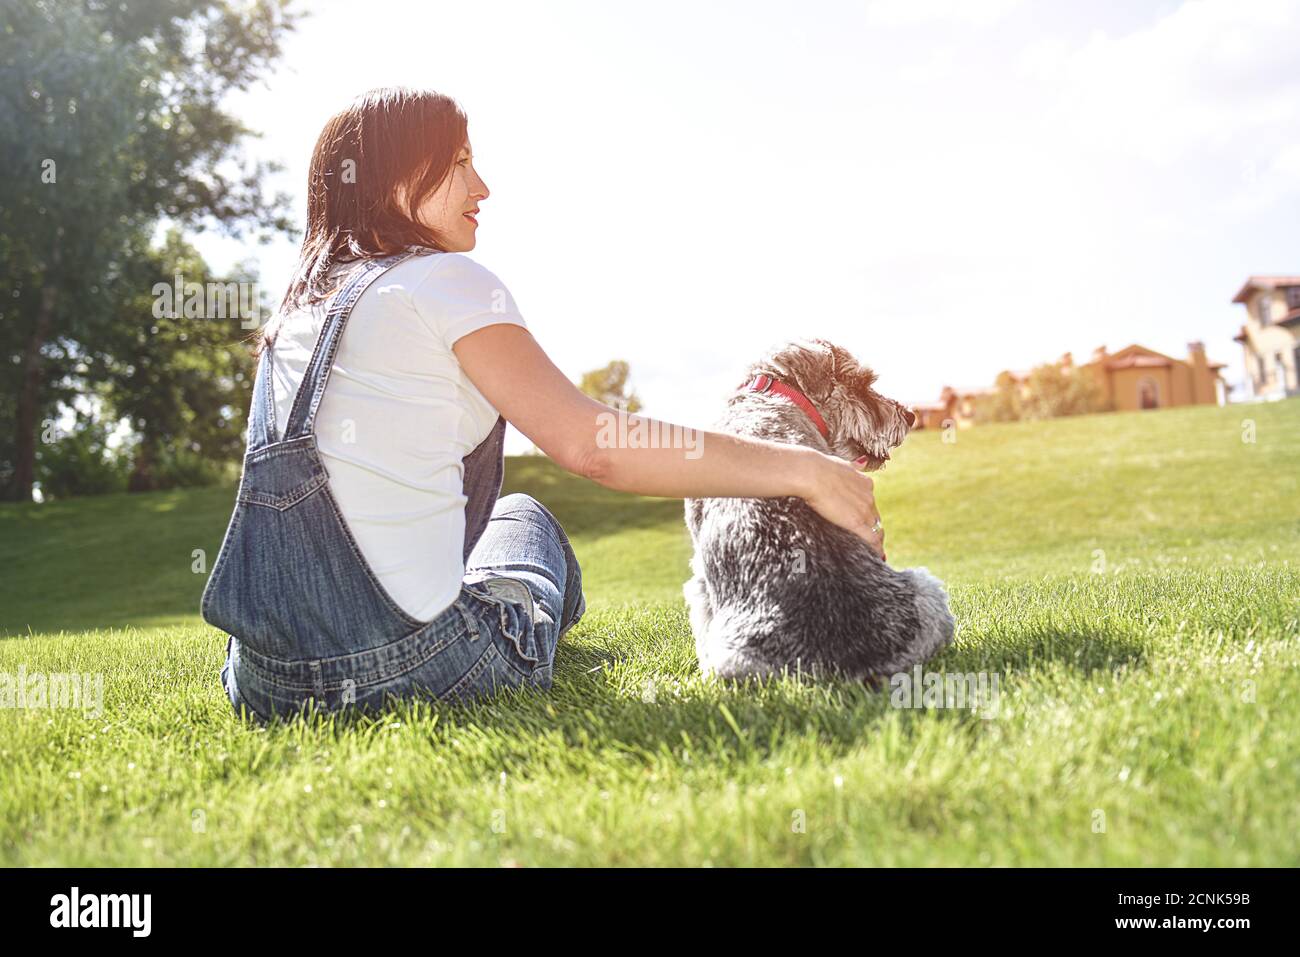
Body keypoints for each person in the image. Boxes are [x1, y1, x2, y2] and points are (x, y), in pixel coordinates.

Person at [200, 87, 884, 721]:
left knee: (508, 515)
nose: (482, 186)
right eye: (458, 164)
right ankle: (527, 622)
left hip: (264, 683)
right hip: (423, 668)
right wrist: (808, 468)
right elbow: (594, 445)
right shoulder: (445, 279)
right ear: (396, 182)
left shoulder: (293, 318)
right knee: (531, 522)